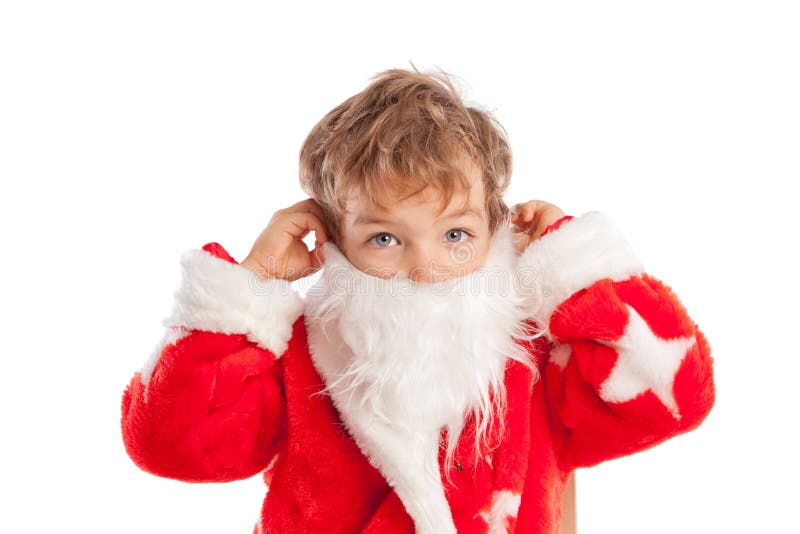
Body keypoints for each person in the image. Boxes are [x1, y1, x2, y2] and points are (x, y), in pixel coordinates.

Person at [120, 67, 716, 534]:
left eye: (455, 235)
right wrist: (250, 287)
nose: (425, 268)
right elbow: (171, 445)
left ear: (497, 228)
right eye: (384, 238)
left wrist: (576, 266)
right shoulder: (300, 352)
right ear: (330, 238)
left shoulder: (536, 352)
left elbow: (674, 396)